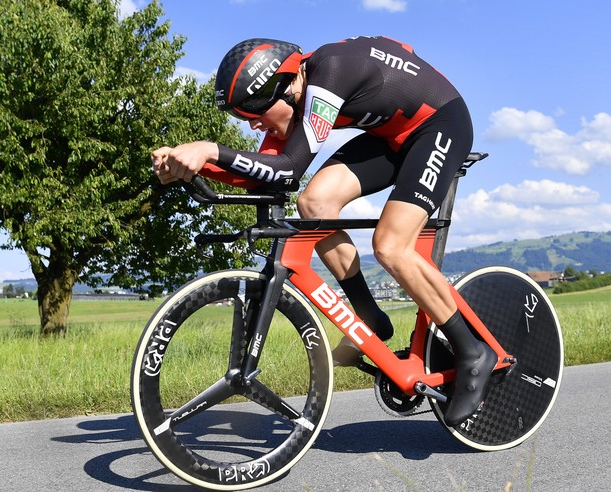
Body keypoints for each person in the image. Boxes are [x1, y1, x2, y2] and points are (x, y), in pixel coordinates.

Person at [150, 36, 497, 428]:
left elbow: (287, 168)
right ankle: (370, 317)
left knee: (391, 245)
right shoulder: (295, 92)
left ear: (287, 83)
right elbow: (267, 173)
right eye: (244, 117)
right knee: (314, 205)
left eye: (255, 111)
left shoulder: (329, 72)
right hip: (391, 137)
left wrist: (211, 150)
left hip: (439, 125)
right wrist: (195, 166)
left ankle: (472, 352)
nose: (253, 123)